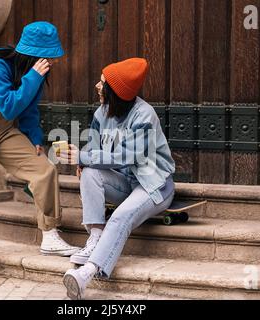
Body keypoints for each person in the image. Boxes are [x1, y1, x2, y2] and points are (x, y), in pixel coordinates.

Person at [0, 21, 80, 282]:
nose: (53, 62)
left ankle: (49, 236)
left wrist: (34, 137)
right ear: (33, 54)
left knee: (44, 170)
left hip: (4, 128)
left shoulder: (36, 70)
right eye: (49, 57)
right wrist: (33, 76)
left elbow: (29, 108)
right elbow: (10, 106)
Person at [58, 58, 176, 299]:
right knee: (90, 172)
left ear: (116, 92)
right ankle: (96, 237)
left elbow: (125, 156)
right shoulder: (102, 113)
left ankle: (86, 274)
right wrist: (82, 159)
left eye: (102, 84)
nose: (97, 86)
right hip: (125, 184)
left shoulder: (144, 115)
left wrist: (83, 156)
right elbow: (93, 149)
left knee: (121, 216)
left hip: (153, 185)